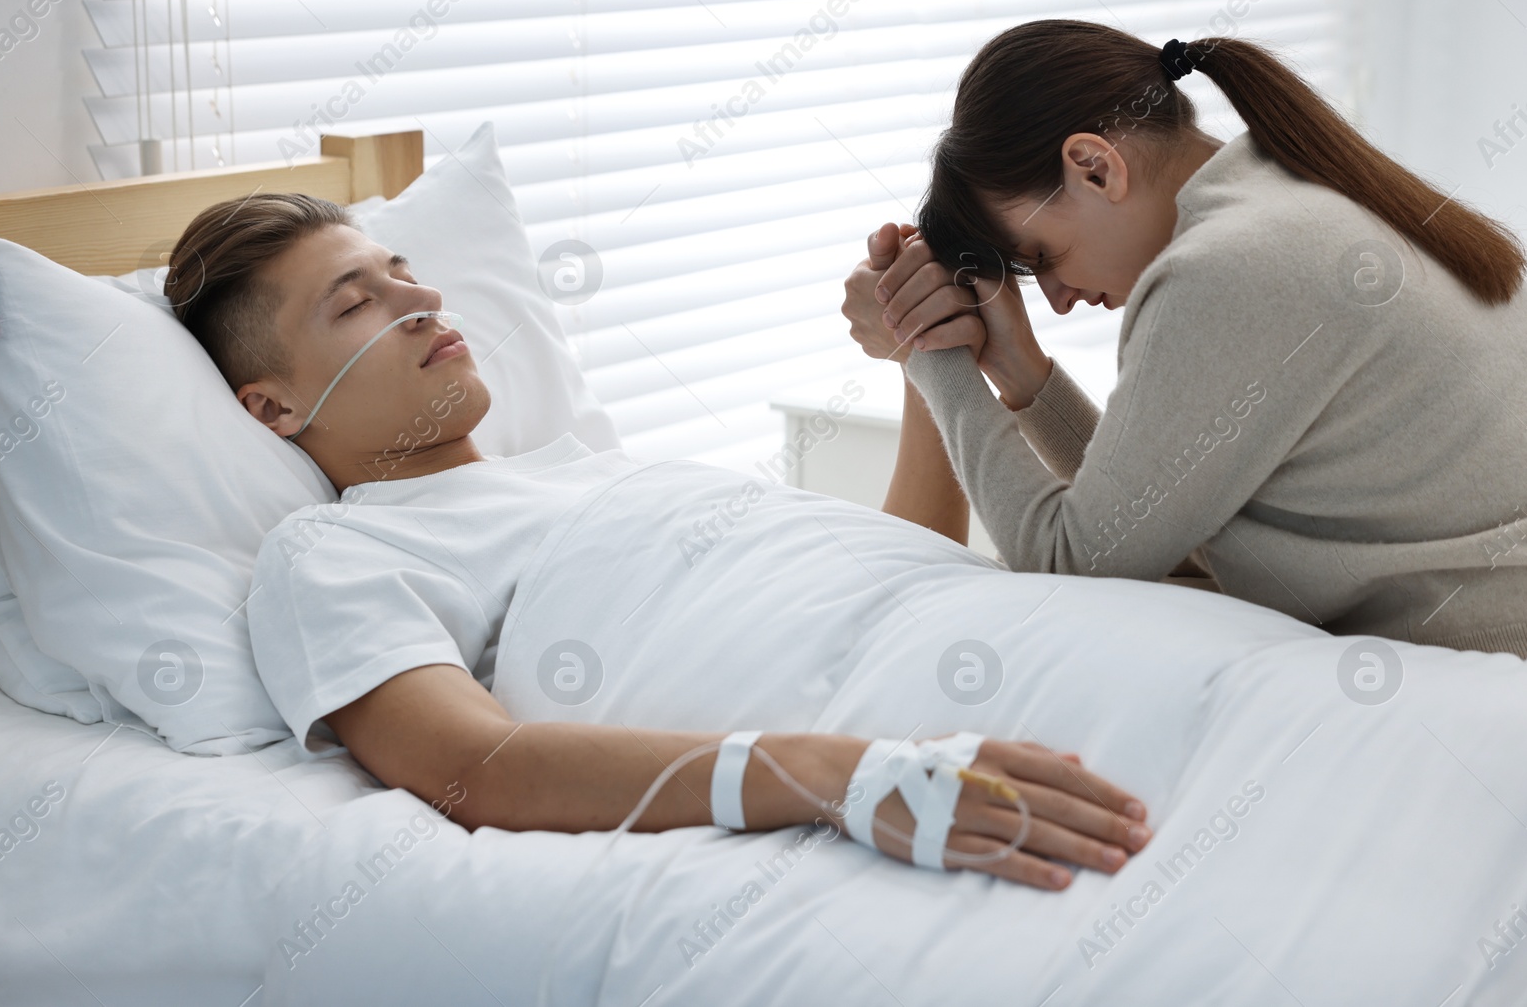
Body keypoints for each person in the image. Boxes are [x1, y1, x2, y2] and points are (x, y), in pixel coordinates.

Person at [163, 191, 1154, 892]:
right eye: (355, 302)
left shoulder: (593, 468)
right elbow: (476, 765)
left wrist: (923, 365)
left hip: (1033, 633)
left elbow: (889, 570)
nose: (421, 301)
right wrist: (833, 771)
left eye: (404, 273)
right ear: (273, 404)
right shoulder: (333, 552)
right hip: (948, 726)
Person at [842, 20, 1527, 657]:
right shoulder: (1284, 186)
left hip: (1514, 663)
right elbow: (1163, 518)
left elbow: (1072, 566)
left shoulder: (1226, 268)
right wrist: (1022, 373)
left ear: (1095, 168)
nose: (1059, 302)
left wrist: (928, 351)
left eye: (1042, 259)